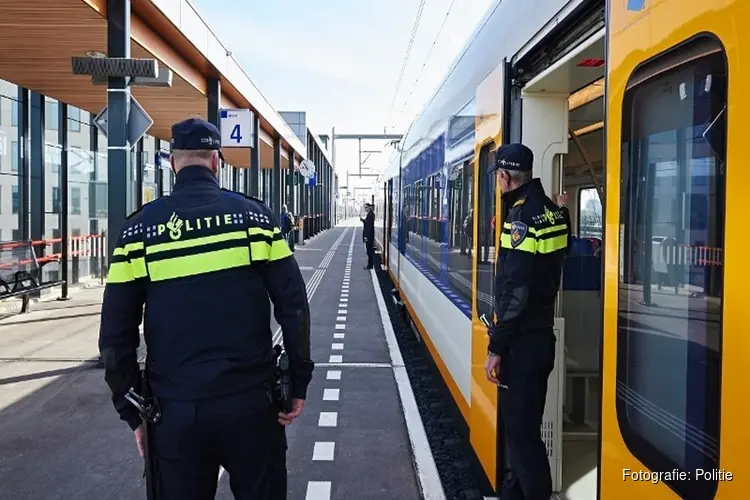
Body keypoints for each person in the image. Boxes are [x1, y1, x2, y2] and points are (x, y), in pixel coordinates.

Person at [98, 118, 314, 500]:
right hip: (252, 405)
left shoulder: (137, 232)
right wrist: (297, 383)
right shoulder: (256, 220)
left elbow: (116, 335)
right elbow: (293, 307)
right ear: (217, 161)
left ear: (171, 162)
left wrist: (133, 411)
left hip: (174, 412)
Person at [483, 143, 571, 500]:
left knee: (523, 440)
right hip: (542, 340)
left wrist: (496, 348)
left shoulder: (519, 220)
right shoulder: (551, 213)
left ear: (504, 177)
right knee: (526, 429)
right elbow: (560, 248)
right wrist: (563, 209)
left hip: (520, 345)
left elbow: (515, 292)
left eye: (499, 178)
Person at [360, 203, 375, 269]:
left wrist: (366, 237)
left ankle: (370, 265)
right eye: (365, 207)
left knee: (369, 251)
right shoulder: (370, 214)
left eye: (366, 207)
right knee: (369, 250)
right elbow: (367, 223)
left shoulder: (370, 214)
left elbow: (368, 227)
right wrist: (363, 220)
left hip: (369, 236)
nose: (365, 209)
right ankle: (370, 264)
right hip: (370, 236)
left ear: (369, 207)